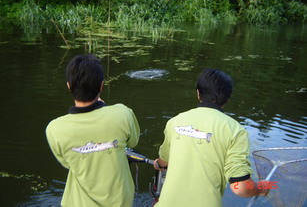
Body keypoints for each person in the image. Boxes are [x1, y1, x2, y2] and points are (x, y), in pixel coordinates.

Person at [153, 68, 268, 207]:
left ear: (198, 93)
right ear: (227, 99)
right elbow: (240, 187)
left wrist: (158, 164)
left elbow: (164, 160)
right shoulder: (235, 130)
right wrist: (261, 188)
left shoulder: (175, 121)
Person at [46, 54, 140, 207]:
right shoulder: (122, 114)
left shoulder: (54, 128)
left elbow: (67, 163)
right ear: (102, 85)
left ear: (69, 85)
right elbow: (133, 141)